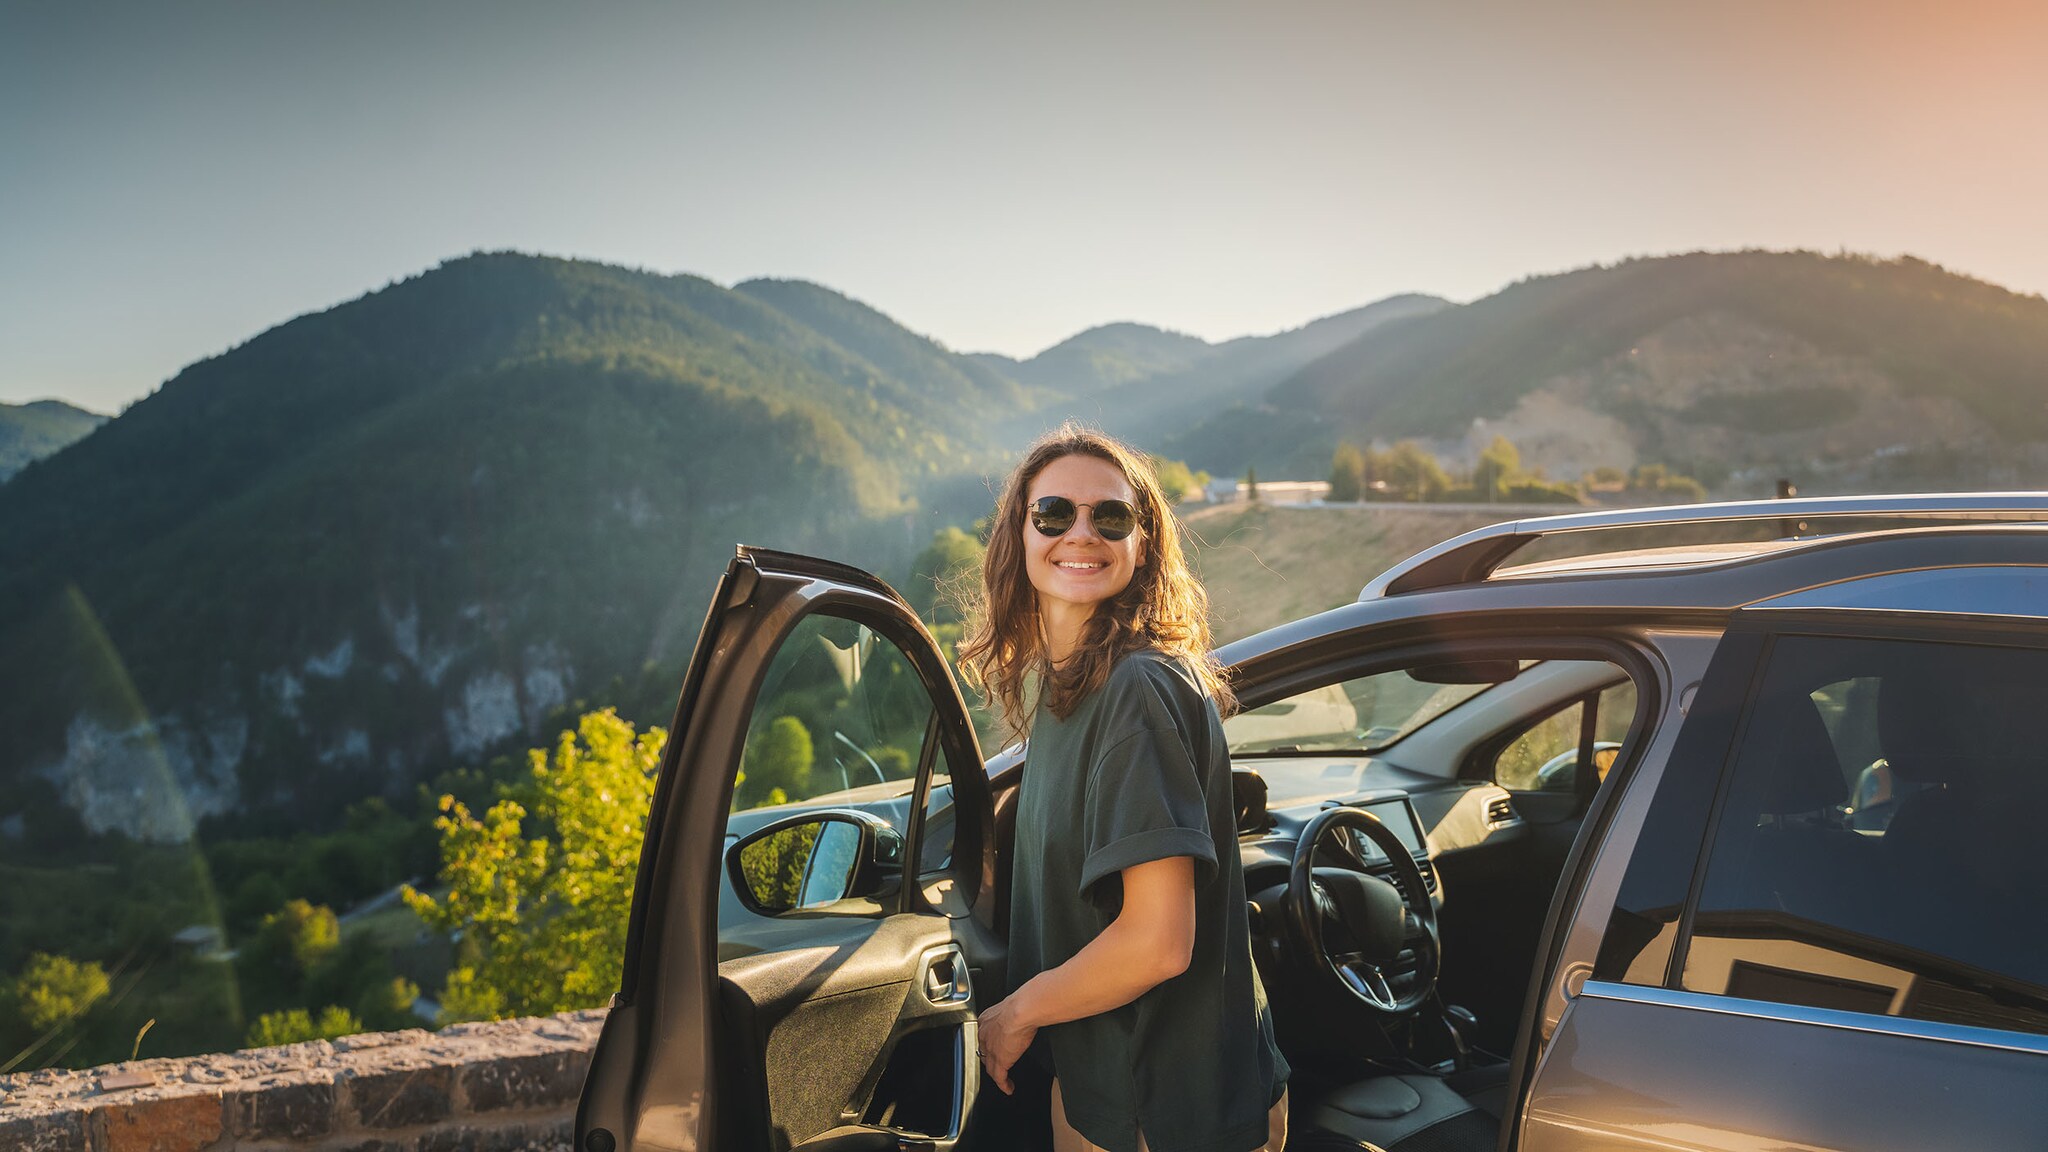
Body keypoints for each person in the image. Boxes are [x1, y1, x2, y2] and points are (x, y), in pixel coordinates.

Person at [960, 425, 1290, 1152]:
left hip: (1164, 1112)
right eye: (1054, 513)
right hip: (1112, 1090)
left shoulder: (1135, 689)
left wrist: (1014, 1015)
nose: (1082, 533)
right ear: (1019, 533)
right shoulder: (1071, 689)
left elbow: (1157, 943)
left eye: (1111, 516)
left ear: (1143, 544)